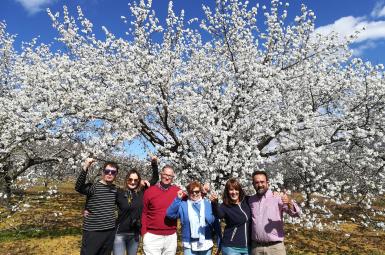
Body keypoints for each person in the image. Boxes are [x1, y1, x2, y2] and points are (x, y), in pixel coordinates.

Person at [113, 156, 159, 255]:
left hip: (135, 234)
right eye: (130, 179)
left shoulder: (142, 191)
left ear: (139, 181)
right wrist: (88, 208)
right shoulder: (119, 192)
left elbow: (155, 178)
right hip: (120, 234)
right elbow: (106, 201)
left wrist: (154, 164)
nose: (132, 182)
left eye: (135, 180)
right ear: (126, 180)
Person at [249, 170, 301, 255]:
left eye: (262, 182)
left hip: (275, 248)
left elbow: (296, 214)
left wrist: (289, 202)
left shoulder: (277, 197)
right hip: (256, 248)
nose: (260, 185)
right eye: (257, 182)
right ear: (253, 184)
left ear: (267, 183)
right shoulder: (251, 200)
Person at [75, 158, 119, 255]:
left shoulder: (115, 190)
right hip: (93, 231)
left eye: (113, 172)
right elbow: (78, 187)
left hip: (110, 231)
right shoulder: (94, 187)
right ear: (103, 172)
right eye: (107, 171)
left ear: (116, 174)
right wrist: (86, 166)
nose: (110, 174)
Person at [166, 181, 221, 255]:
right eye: (192, 192)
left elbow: (215, 222)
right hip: (189, 244)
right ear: (188, 193)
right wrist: (178, 199)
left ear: (201, 192)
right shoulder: (183, 205)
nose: (194, 194)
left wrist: (219, 241)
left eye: (197, 191)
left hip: (206, 242)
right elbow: (170, 214)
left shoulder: (208, 204)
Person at [141, 165, 181, 255]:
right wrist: (144, 232)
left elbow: (192, 199)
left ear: (173, 177)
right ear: (161, 174)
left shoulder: (177, 191)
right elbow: (144, 212)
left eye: (170, 176)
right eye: (165, 174)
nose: (167, 177)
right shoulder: (149, 191)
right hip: (152, 236)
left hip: (171, 236)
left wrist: (202, 193)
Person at [210, 178, 251, 255]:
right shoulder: (225, 206)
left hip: (248, 247)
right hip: (231, 247)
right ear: (227, 192)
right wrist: (214, 204)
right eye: (231, 190)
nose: (234, 192)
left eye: (236, 189)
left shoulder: (247, 201)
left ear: (240, 191)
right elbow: (219, 215)